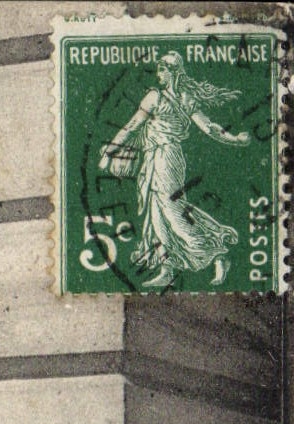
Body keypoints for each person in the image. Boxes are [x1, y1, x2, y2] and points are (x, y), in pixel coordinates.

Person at [99, 50, 250, 288]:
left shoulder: (171, 98)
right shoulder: (159, 96)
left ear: (174, 72)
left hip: (167, 156)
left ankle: (217, 254)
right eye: (158, 69)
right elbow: (133, 126)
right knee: (156, 212)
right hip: (153, 157)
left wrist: (234, 140)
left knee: (172, 210)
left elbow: (208, 127)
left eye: (163, 70)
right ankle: (168, 268)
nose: (158, 74)